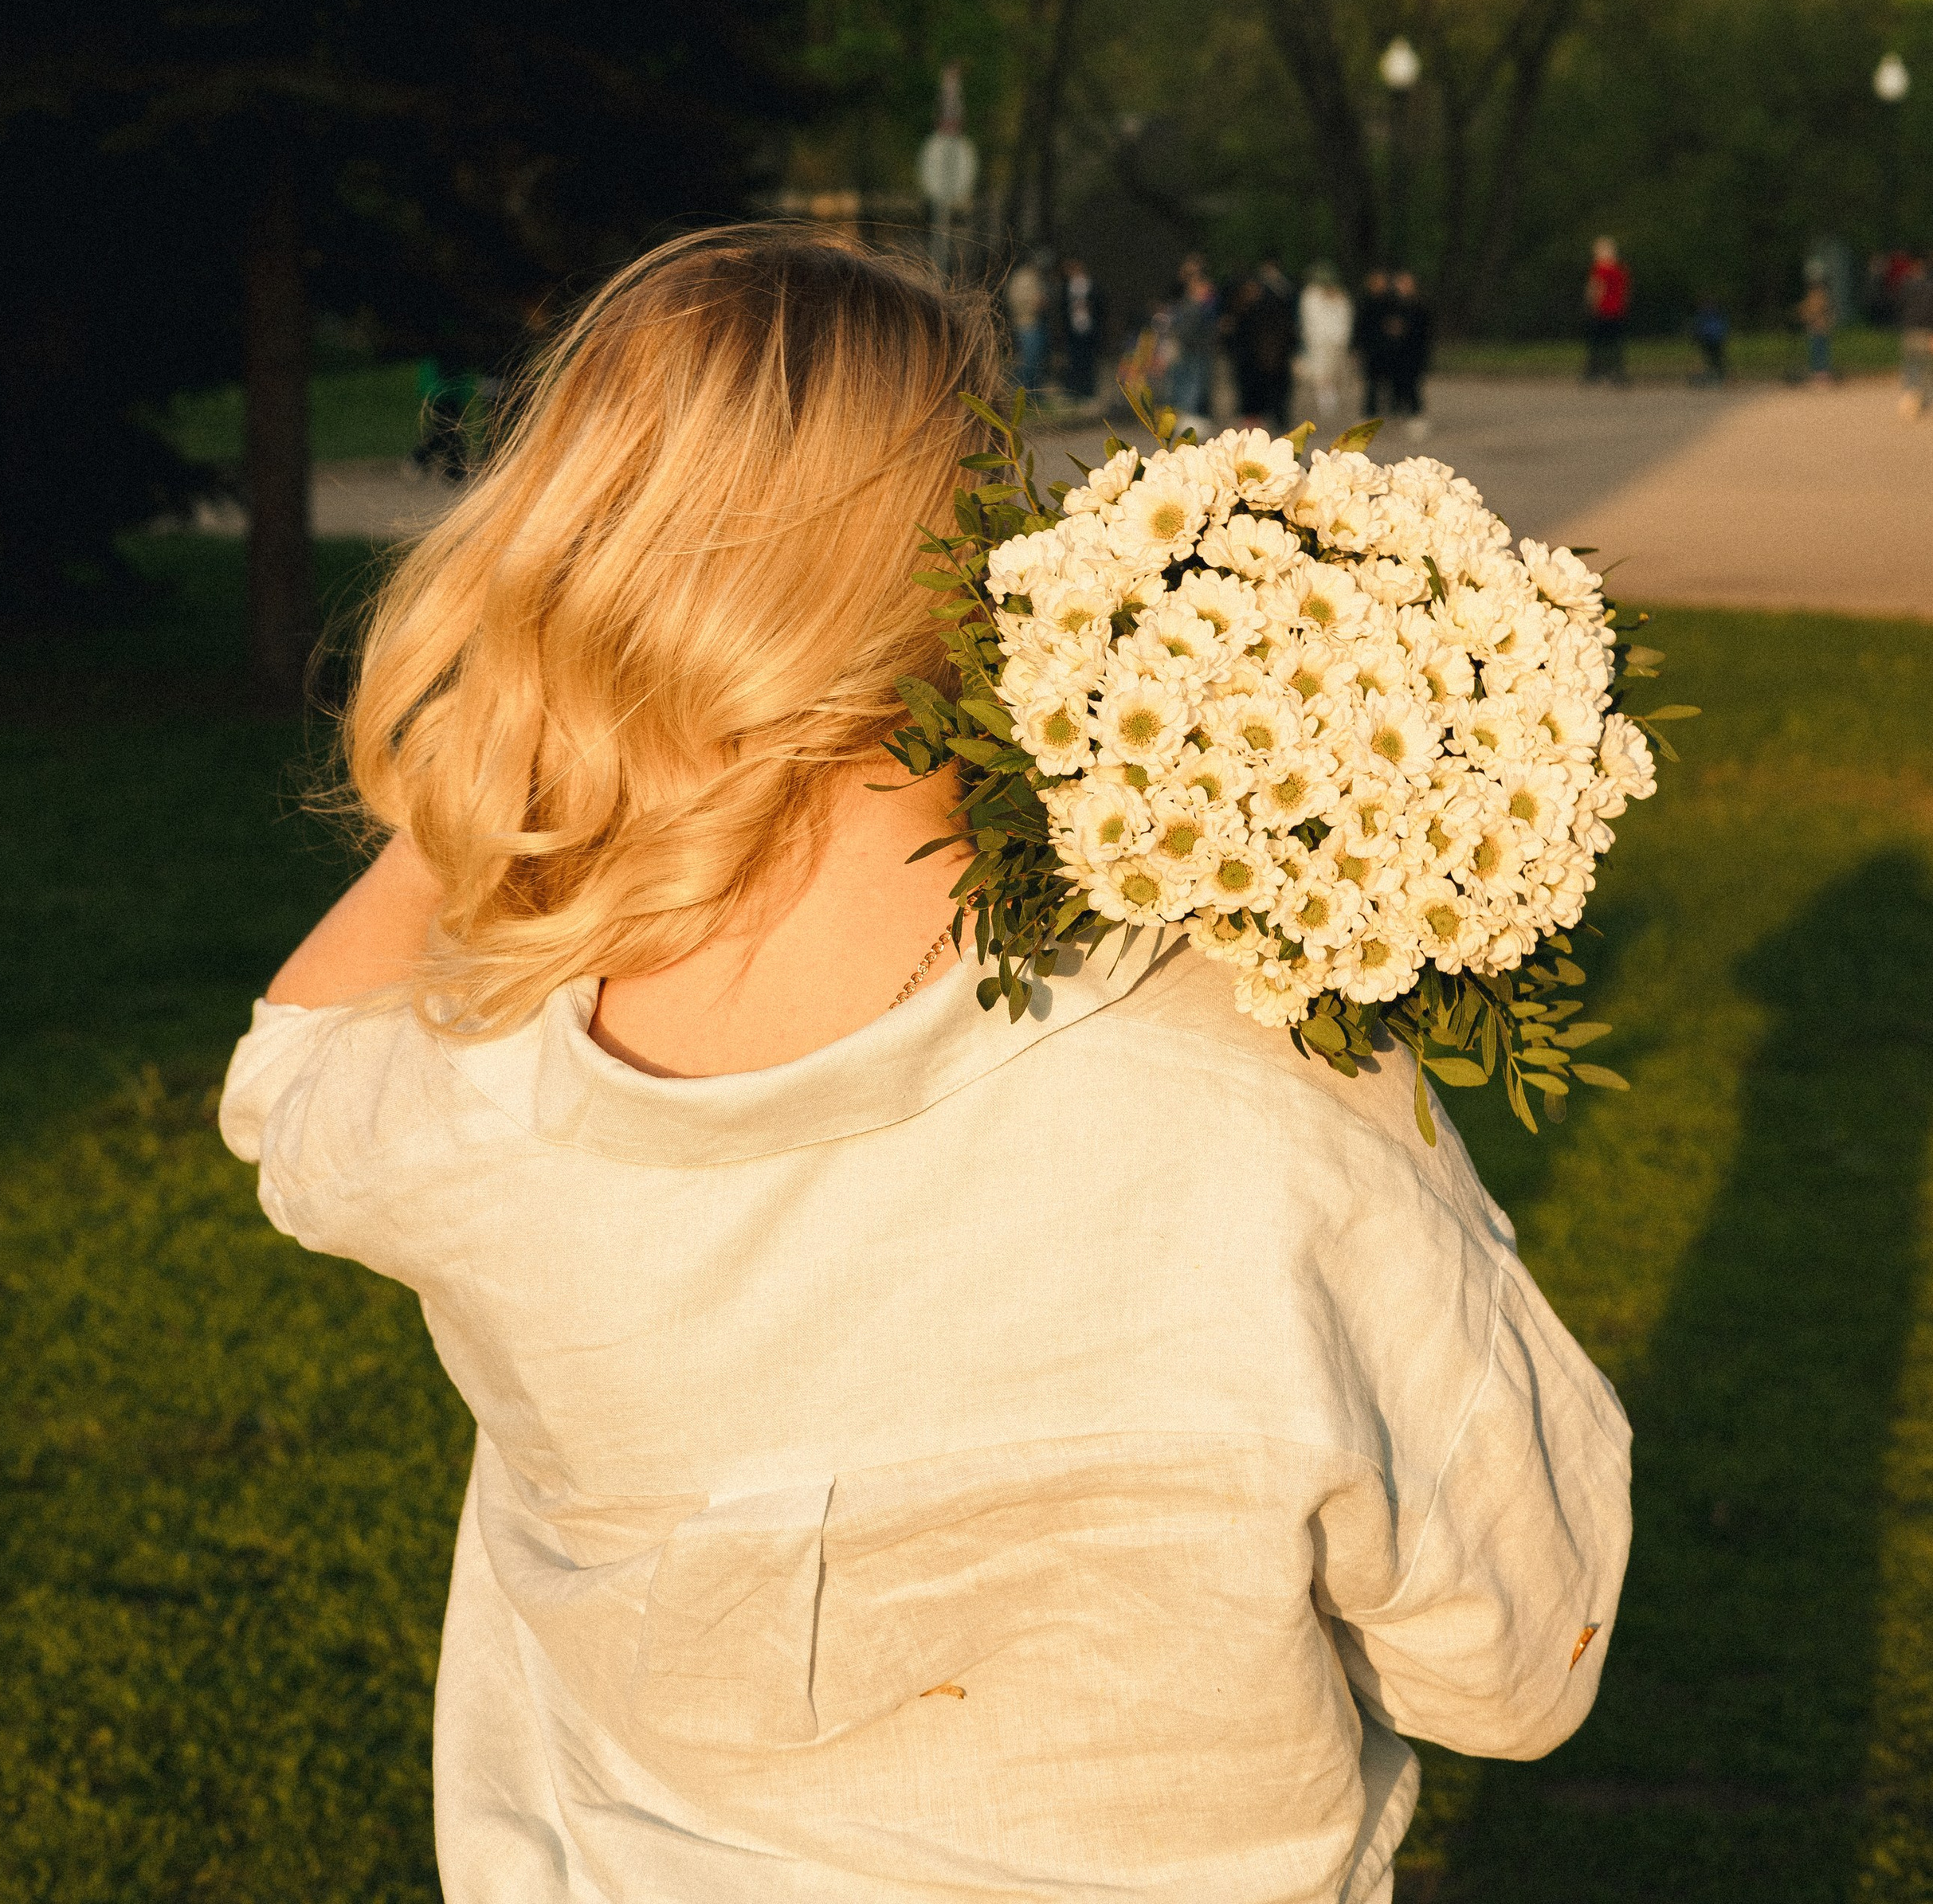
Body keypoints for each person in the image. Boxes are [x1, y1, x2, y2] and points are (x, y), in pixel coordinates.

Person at [220, 229, 1630, 1903]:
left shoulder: (482, 1103)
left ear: (564, 547)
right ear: (985, 552)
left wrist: (510, 757)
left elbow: (288, 1075)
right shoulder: (1254, 1100)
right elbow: (1517, 1662)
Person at [1230, 258, 1299, 431]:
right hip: (1252, 359)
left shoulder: (1272, 305)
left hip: (1273, 357)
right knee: (1252, 391)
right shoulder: (1241, 309)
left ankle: (1277, 419)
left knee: (1276, 391)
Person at [1297, 262, 1355, 437]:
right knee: (1321, 375)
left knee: (1335, 375)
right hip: (1318, 343)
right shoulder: (1311, 296)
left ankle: (1330, 405)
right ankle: (1326, 407)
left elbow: (1345, 320)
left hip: (1336, 343)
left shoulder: (1340, 296)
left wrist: (1341, 340)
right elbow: (1310, 322)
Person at [1166, 253, 1218, 433]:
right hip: (1184, 344)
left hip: (1199, 345)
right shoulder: (1181, 293)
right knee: (1183, 382)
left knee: (1197, 383)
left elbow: (1210, 318)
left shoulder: (1206, 293)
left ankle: (1195, 417)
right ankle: (1183, 416)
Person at [1386, 270, 1433, 431]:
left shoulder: (1419, 305)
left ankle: (1416, 416)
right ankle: (1396, 415)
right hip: (1394, 354)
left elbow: (1425, 332)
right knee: (1395, 386)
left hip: (1413, 353)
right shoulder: (1390, 305)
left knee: (1413, 386)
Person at [1582, 238, 1631, 386]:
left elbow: (1597, 288)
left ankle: (1594, 372)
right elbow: (1625, 291)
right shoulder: (1621, 270)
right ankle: (1617, 372)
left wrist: (1591, 303)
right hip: (1617, 310)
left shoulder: (1600, 269)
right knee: (1615, 343)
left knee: (1596, 343)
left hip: (1602, 310)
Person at [1355, 269, 1398, 419]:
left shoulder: (1392, 302)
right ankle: (1370, 411)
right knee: (1372, 383)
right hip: (1372, 349)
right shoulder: (1366, 303)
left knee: (1391, 382)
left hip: (1389, 349)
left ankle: (1393, 408)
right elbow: (1360, 327)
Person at [1004, 253, 1049, 396]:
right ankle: (1025, 394)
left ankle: (1033, 393)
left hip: (1034, 323)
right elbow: (1017, 301)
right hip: (1027, 324)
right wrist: (1035, 304)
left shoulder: (1034, 277)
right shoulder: (1024, 278)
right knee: (1028, 361)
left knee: (1035, 360)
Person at [1059, 257, 1100, 405]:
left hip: (1088, 326)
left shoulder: (1091, 284)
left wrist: (1090, 307)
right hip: (1073, 328)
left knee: (1088, 358)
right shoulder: (1067, 286)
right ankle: (1075, 391)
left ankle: (1088, 390)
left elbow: (1100, 303)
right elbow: (1063, 306)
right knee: (1074, 359)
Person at [1897, 252, 1933, 421]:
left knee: (1911, 367)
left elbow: (1899, 306)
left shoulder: (1906, 287)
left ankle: (1909, 399)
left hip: (1909, 331)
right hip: (1925, 332)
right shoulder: (1929, 288)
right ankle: (1924, 402)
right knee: (1927, 370)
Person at [1798, 269, 1838, 386]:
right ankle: (1818, 373)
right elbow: (1807, 309)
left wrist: (1808, 315)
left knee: (1821, 351)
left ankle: (1822, 374)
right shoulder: (1813, 295)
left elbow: (1816, 310)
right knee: (1816, 351)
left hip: (1820, 328)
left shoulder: (1820, 295)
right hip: (1814, 329)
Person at [1688, 296, 1730, 386]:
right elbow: (1698, 328)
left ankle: (1719, 377)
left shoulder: (1714, 315)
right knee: (1712, 359)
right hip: (1708, 340)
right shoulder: (1704, 315)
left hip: (1715, 340)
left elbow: (1721, 327)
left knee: (1717, 359)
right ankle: (1715, 376)